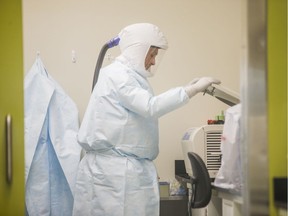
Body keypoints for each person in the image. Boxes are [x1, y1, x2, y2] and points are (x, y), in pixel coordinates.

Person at [72, 23, 220, 216]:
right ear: (138, 50)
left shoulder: (127, 76)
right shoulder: (119, 75)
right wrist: (190, 90)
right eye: (152, 55)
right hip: (115, 176)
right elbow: (150, 106)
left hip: (121, 171)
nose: (152, 62)